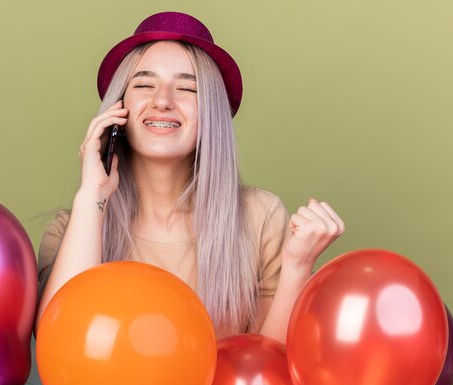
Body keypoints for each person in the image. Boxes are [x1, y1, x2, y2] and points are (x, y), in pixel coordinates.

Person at [36, 11, 344, 343]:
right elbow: (59, 343)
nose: (163, 101)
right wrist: (92, 195)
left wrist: (298, 266)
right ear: (118, 109)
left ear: (212, 113)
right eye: (143, 84)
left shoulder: (260, 217)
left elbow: (266, 368)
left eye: (187, 88)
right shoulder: (74, 229)